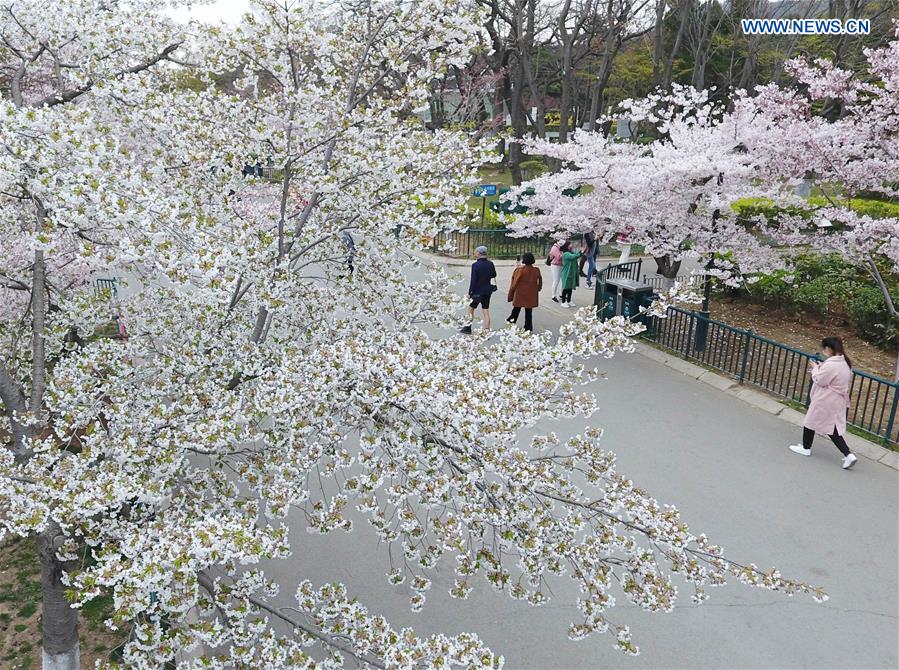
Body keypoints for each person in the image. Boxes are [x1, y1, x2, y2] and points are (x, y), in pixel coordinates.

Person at [789, 337, 857, 469]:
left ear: (829, 348)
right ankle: (848, 454)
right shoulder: (845, 363)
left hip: (826, 398)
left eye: (824, 348)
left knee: (811, 421)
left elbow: (820, 380)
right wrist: (821, 367)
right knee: (831, 427)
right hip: (837, 400)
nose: (823, 351)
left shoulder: (832, 364)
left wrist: (815, 368)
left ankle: (806, 447)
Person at [460, 245, 497, 334]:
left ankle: (467, 327)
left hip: (477, 291)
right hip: (487, 291)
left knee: (471, 308)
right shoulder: (490, 263)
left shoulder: (475, 265)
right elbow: (494, 275)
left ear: (479, 253)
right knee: (485, 310)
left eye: (476, 251)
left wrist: (470, 292)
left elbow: (474, 280)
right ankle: (487, 331)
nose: (475, 253)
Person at [506, 252, 542, 331]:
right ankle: (528, 327)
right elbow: (540, 280)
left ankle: (512, 320)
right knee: (528, 311)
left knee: (516, 308)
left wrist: (511, 291)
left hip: (520, 292)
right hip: (531, 293)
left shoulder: (519, 270)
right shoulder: (536, 270)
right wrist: (538, 288)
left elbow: (514, 282)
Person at [559, 241, 581, 308]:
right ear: (567, 247)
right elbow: (574, 256)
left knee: (570, 288)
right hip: (567, 273)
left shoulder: (571, 253)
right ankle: (563, 302)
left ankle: (569, 300)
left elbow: (576, 254)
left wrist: (581, 251)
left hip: (571, 272)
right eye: (570, 245)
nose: (571, 246)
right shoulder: (566, 254)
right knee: (566, 288)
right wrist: (581, 252)